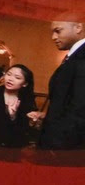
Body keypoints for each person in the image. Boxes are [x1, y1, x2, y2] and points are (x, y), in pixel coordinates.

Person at [32, 19, 85, 150]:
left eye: (58, 31)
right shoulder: (73, 57)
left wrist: (56, 145)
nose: (53, 37)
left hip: (65, 145)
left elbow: (80, 107)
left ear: (78, 28)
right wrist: (48, 116)